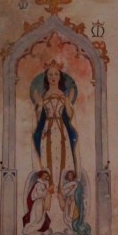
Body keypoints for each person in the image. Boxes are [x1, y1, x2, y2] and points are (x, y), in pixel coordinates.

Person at [31, 62, 79, 190]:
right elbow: (38, 118)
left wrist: (68, 102)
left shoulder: (63, 95)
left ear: (60, 77)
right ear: (46, 77)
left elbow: (69, 115)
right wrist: (39, 105)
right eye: (50, 74)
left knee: (62, 155)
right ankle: (49, 186)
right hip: (47, 129)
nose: (53, 77)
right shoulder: (44, 96)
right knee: (48, 156)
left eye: (56, 74)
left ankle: (61, 188)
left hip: (61, 128)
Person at [22, 170, 52, 235]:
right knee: (37, 218)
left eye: (46, 176)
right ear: (40, 176)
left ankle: (38, 230)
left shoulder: (43, 184)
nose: (45, 177)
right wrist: (47, 191)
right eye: (44, 176)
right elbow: (39, 194)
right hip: (38, 202)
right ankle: (29, 229)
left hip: (41, 202)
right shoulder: (38, 184)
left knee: (40, 217)